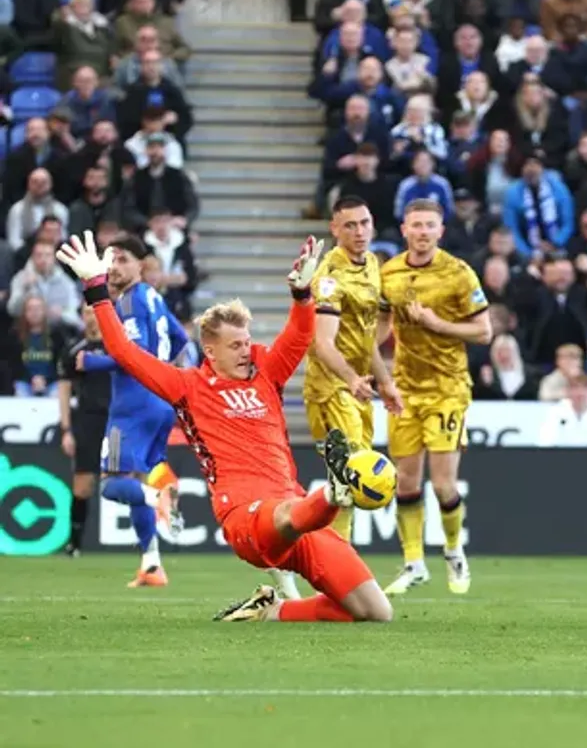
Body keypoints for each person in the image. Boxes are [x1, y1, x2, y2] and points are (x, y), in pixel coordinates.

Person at [58, 231, 394, 623]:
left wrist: (303, 295)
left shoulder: (266, 373)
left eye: (247, 342)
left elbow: (301, 335)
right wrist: (96, 289)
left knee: (375, 612)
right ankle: (334, 493)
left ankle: (270, 611)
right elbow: (123, 351)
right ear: (210, 351)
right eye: (236, 345)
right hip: (245, 517)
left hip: (297, 507)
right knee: (289, 513)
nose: (246, 351)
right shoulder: (187, 386)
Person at [379, 199, 492, 595]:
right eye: (416, 225)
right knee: (406, 482)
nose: (423, 232)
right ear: (404, 230)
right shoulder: (389, 273)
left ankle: (454, 551)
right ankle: (413, 563)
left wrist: (437, 323)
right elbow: (382, 323)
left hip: (447, 389)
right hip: (405, 388)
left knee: (444, 484)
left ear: (441, 231)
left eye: (430, 225)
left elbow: (484, 332)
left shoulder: (458, 273)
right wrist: (366, 358)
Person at [79, 236, 189, 587]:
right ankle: (152, 564)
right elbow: (182, 340)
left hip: (133, 404)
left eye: (122, 259)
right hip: (161, 401)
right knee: (135, 483)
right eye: (110, 260)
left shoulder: (128, 301)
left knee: (112, 485)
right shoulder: (154, 297)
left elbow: (131, 353)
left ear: (141, 264)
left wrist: (91, 362)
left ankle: (161, 496)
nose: (113, 267)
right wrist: (175, 377)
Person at [304, 197, 402, 545]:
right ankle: (337, 560)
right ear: (335, 229)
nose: (359, 232)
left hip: (357, 386)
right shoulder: (329, 278)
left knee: (344, 482)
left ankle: (314, 551)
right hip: (330, 389)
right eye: (350, 225)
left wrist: (385, 382)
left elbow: (365, 339)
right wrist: (351, 379)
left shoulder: (372, 264)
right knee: (355, 474)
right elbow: (322, 343)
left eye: (364, 223)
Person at [56, 305, 111, 556]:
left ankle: (145, 542)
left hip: (116, 419)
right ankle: (74, 543)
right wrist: (66, 429)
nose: (92, 317)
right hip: (87, 420)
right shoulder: (74, 350)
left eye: (95, 311)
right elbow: (64, 390)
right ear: (82, 316)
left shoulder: (117, 347)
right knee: (83, 484)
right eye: (87, 312)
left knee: (129, 478)